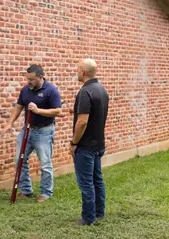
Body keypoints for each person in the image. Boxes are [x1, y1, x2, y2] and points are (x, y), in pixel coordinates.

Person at [3, 64, 62, 203]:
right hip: (27, 130)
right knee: (19, 159)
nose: (28, 81)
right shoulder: (25, 90)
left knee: (45, 163)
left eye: (31, 79)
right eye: (27, 78)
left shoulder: (51, 90)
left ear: (41, 77)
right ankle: (26, 190)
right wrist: (9, 123)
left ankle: (46, 192)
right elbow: (18, 107)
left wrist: (38, 110)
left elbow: (57, 111)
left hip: (44, 131)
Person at [69, 59, 109, 225]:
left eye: (78, 69)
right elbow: (95, 113)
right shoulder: (101, 90)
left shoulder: (85, 92)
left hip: (86, 146)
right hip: (99, 144)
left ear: (82, 72)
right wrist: (76, 109)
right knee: (97, 180)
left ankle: (88, 218)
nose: (77, 72)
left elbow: (83, 122)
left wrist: (74, 142)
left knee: (86, 183)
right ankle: (99, 213)